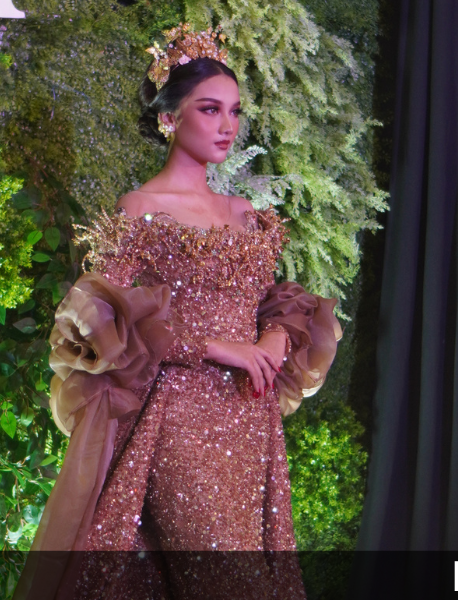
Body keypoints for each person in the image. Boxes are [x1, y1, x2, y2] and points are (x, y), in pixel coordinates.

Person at [14, 23, 342, 599]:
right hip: (179, 418)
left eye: (234, 111)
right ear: (169, 118)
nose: (227, 125)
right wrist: (211, 346)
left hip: (251, 419)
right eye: (210, 110)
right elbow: (97, 324)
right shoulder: (141, 208)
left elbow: (273, 300)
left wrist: (272, 337)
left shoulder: (246, 214)